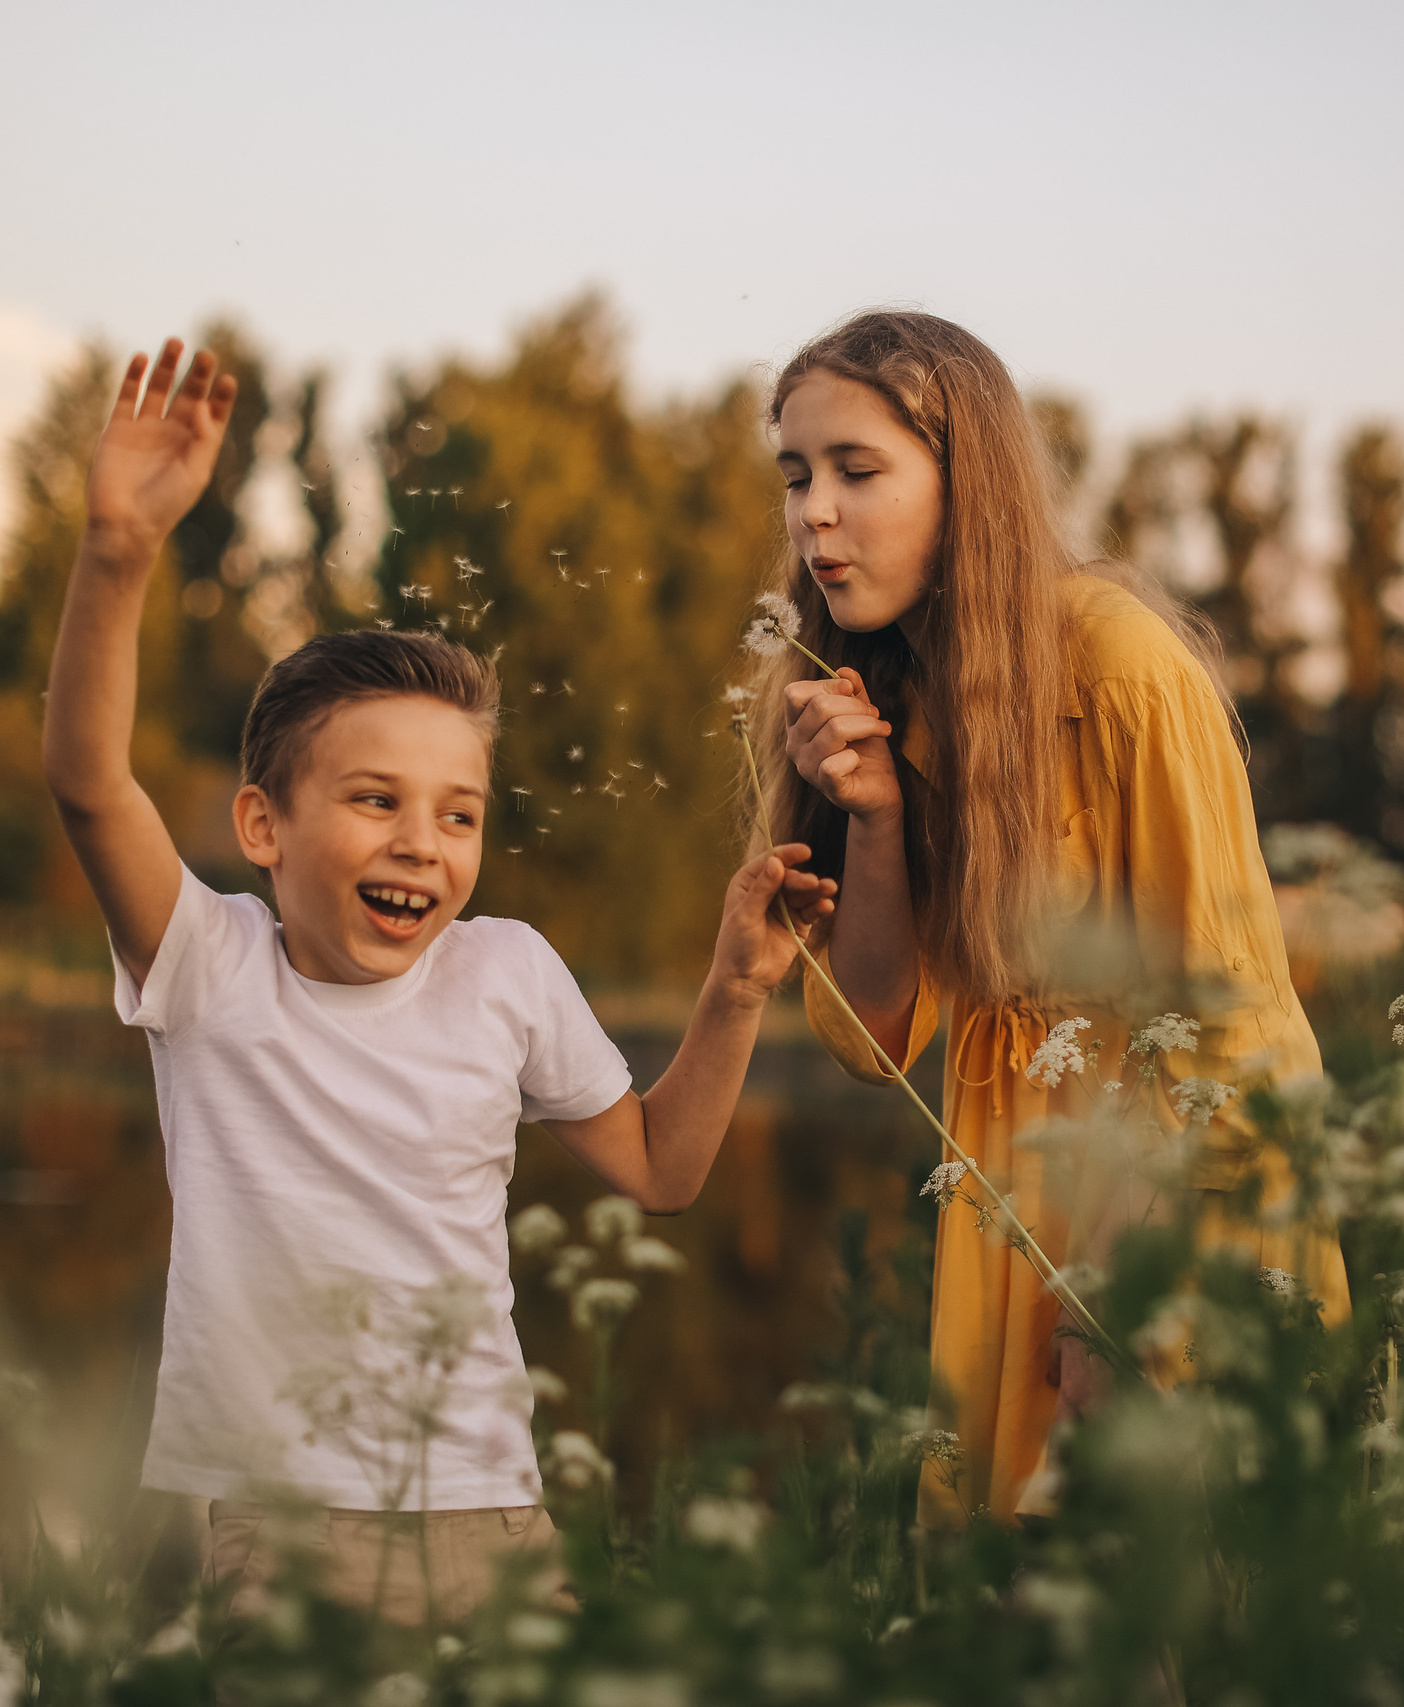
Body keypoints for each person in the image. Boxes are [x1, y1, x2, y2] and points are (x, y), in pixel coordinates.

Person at [44, 339, 833, 1622]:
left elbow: (663, 1172)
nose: (424, 842)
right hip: (289, 1532)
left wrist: (737, 989)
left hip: (495, 1519)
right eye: (374, 800)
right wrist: (119, 553)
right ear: (263, 827)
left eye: (458, 813)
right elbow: (87, 780)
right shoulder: (210, 967)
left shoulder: (506, 972)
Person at [756, 310, 1348, 1529]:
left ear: (966, 483)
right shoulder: (889, 701)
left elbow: (1219, 1016)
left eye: (857, 471)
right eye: (797, 474)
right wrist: (868, 815)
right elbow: (872, 1044)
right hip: (1014, 1216)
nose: (815, 511)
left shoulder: (1115, 665)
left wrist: (1115, 1306)